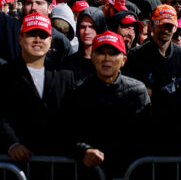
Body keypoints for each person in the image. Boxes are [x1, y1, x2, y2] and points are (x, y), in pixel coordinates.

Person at [62, 31, 151, 178]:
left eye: (113, 54)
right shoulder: (78, 92)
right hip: (90, 173)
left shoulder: (138, 92)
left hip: (129, 172)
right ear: (92, 57)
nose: (107, 59)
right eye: (101, 53)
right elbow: (65, 133)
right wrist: (83, 151)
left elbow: (148, 136)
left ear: (124, 60)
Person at [0, 13, 74, 159]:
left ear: (50, 41)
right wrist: (12, 144)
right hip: (17, 162)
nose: (37, 40)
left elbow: (71, 118)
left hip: (57, 160)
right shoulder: (2, 74)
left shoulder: (65, 75)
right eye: (31, 35)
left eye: (42, 36)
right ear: (20, 38)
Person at [124, 5, 181, 96]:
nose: (165, 29)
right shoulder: (135, 56)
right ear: (151, 26)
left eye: (169, 26)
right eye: (161, 24)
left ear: (175, 28)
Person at [64, 7, 107, 83]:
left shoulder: (109, 62)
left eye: (92, 27)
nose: (86, 32)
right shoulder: (68, 63)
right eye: (83, 27)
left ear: (100, 28)